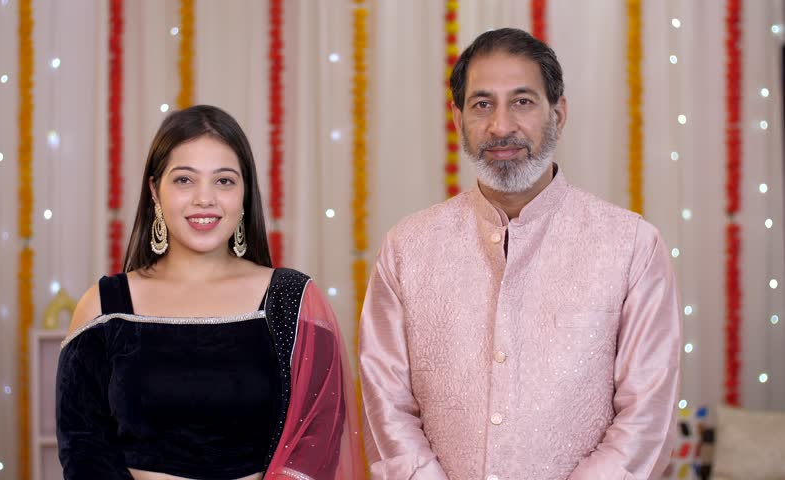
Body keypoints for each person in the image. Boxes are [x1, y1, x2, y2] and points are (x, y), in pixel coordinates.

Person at [359, 28, 681, 480]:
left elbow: (647, 414)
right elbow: (385, 403)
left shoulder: (631, 247)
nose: (501, 126)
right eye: (482, 104)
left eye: (523, 101)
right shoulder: (406, 248)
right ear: (458, 119)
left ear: (559, 112)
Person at [56, 105, 364, 480]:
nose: (205, 199)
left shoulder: (291, 301)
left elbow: (318, 440)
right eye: (184, 180)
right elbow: (84, 447)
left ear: (245, 192)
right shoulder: (104, 308)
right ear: (155, 190)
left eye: (224, 181)